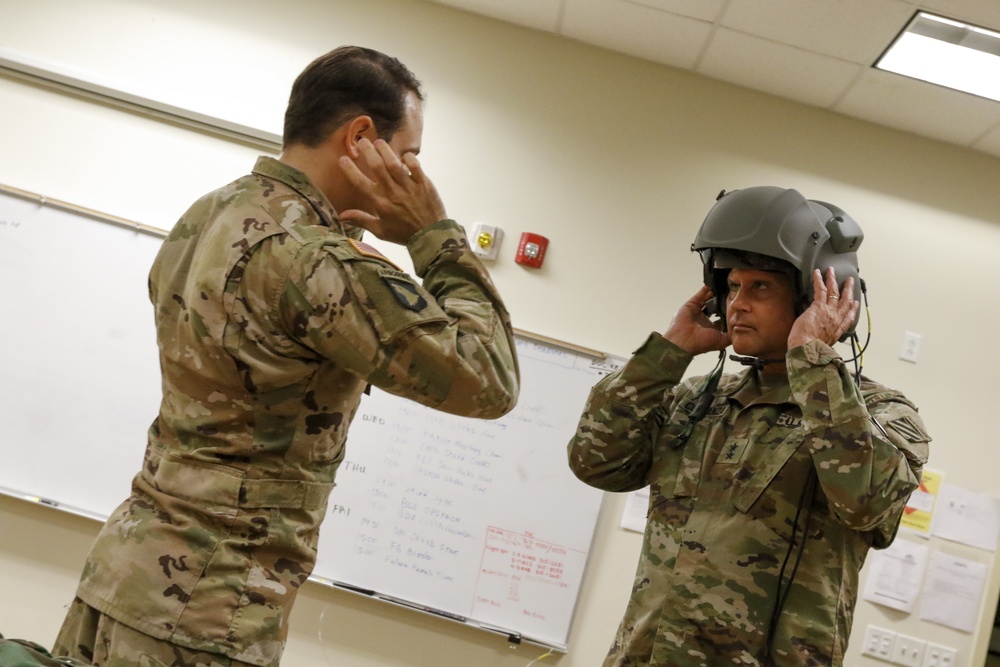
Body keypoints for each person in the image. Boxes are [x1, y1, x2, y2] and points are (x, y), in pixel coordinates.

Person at [53, 45, 519, 667]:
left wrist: (355, 251)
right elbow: (488, 380)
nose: (411, 175)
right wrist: (431, 234)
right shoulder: (315, 259)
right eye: (407, 155)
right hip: (207, 607)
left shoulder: (213, 212)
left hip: (125, 574)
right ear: (360, 138)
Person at [568, 186, 930, 667]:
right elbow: (596, 463)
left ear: (813, 299)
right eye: (732, 286)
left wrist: (812, 360)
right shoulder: (697, 399)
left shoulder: (881, 413)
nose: (737, 303)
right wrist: (666, 355)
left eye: (760, 287)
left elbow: (866, 504)